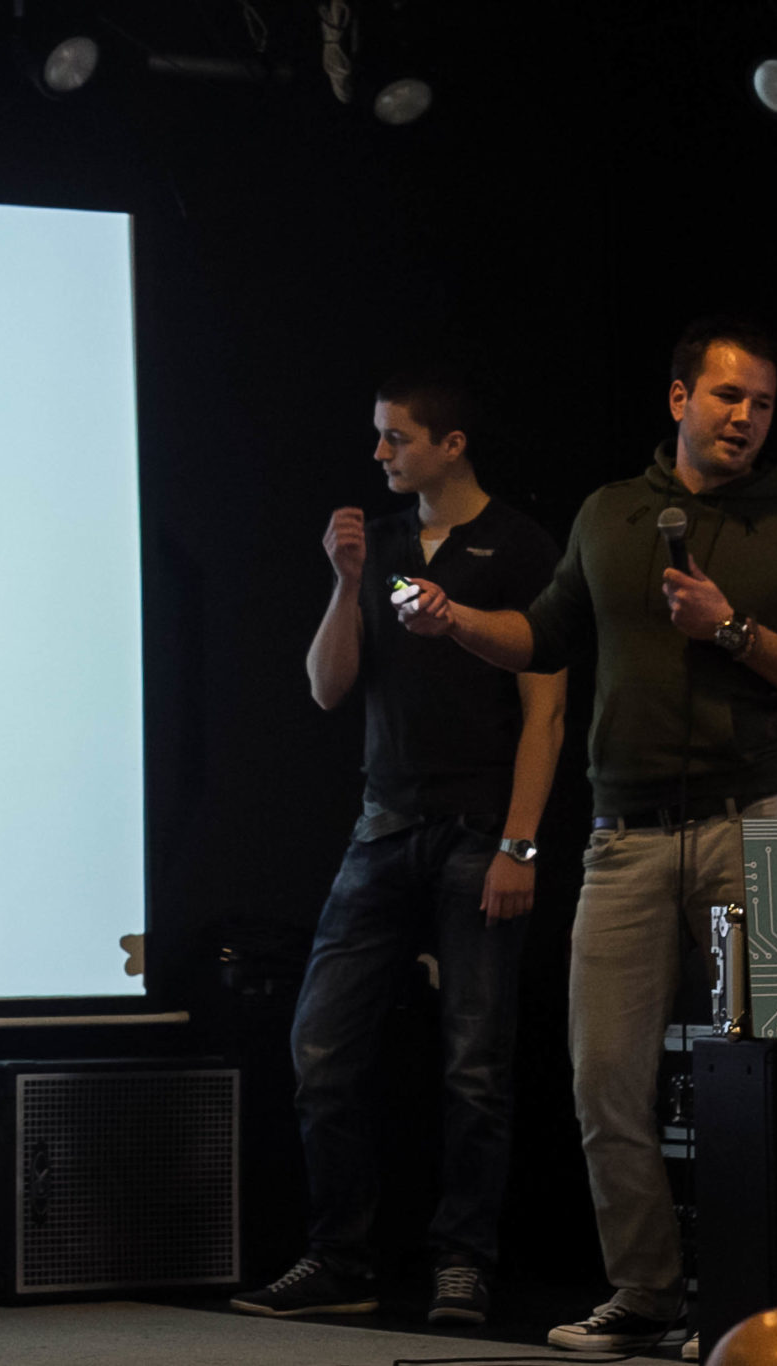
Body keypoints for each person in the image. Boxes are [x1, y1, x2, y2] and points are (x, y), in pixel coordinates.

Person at [395, 319, 777, 1353]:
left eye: (760, 403)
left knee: (765, 1078)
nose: (744, 417)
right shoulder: (610, 515)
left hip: (755, 826)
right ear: (678, 400)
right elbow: (541, 634)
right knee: (603, 1076)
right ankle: (646, 1294)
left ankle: (755, 1304)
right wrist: (454, 620)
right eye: (726, 396)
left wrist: (731, 629)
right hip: (623, 838)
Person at [232, 369, 566, 1326]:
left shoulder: (519, 545)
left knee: (475, 1066)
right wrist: (346, 582)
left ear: (451, 445)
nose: (379, 453)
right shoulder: (376, 544)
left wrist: (521, 847)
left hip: (478, 834)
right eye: (378, 436)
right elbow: (326, 687)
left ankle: (464, 1262)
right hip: (381, 828)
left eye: (397, 437)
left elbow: (546, 711)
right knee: (320, 1047)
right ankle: (340, 1258)